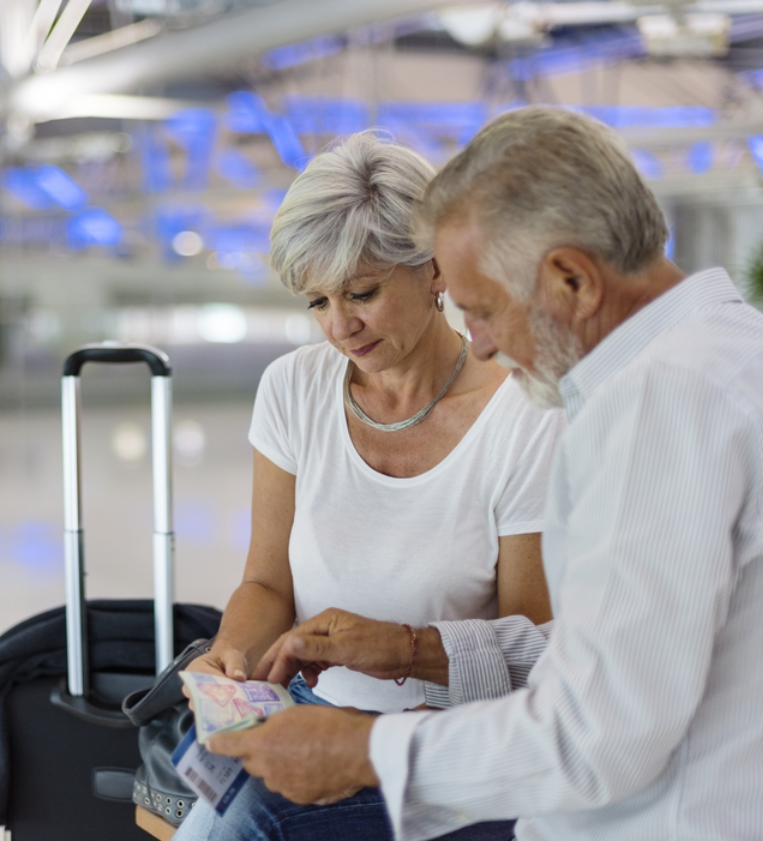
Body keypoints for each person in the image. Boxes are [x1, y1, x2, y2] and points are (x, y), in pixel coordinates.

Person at [208, 106, 763, 841]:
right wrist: (409, 648)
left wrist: (367, 752)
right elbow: (609, 647)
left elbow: (593, 735)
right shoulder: (749, 356)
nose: (483, 345)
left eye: (484, 310)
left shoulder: (657, 406)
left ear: (570, 280)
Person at [175, 130, 564, 840]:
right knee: (209, 804)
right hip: (309, 712)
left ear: (435, 269)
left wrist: (404, 659)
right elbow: (266, 584)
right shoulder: (294, 389)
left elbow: (530, 649)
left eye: (361, 292)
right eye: (316, 303)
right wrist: (233, 657)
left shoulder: (525, 416)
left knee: (246, 823)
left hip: (448, 743)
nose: (339, 327)